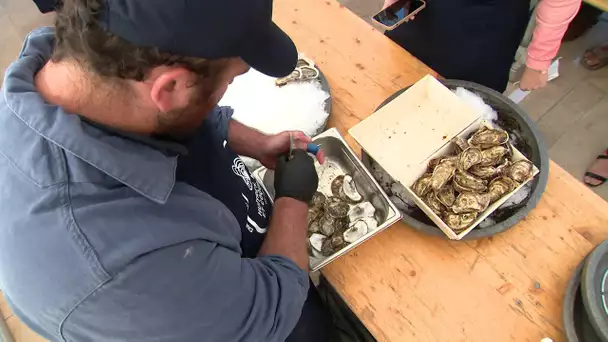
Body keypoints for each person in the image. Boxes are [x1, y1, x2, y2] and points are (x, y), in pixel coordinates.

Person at [0, 0, 334, 341]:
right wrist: (293, 199)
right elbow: (273, 308)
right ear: (171, 88)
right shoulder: (122, 268)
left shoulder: (77, 67)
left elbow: (178, 116)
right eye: (231, 80)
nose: (224, 92)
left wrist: (257, 143)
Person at [382, 0, 581, 92]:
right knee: (394, 74)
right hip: (428, 11)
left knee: (464, 99)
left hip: (490, 23)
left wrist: (538, 62)